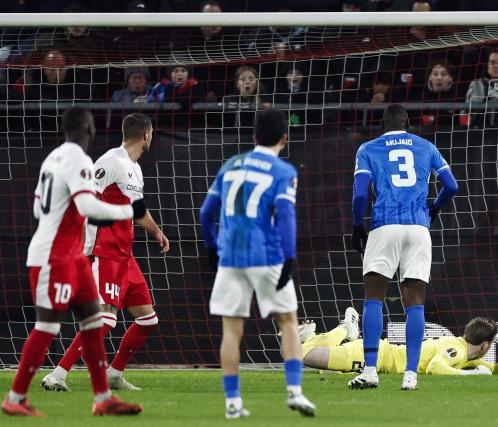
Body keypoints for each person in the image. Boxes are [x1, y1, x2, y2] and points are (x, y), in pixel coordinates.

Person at [1, 107, 145, 417]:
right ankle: (15, 398)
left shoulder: (52, 158)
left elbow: (41, 209)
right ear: (89, 129)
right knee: (47, 325)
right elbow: (88, 205)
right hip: (54, 254)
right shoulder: (80, 159)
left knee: (94, 322)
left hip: (72, 253)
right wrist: (125, 212)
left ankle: (103, 398)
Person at [199, 109, 315, 419]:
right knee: (289, 321)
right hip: (268, 256)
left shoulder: (230, 165)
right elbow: (286, 216)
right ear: (284, 138)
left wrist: (213, 247)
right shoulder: (283, 171)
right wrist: (289, 256)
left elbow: (205, 214)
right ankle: (294, 391)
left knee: (231, 332)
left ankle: (233, 403)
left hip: (231, 257)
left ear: (253, 137)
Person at [41, 113, 169, 393]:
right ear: (146, 135)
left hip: (125, 254)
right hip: (105, 249)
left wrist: (156, 231)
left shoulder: (135, 169)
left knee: (148, 319)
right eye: (152, 133)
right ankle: (58, 374)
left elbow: (137, 210)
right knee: (106, 318)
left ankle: (114, 375)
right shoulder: (112, 161)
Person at [350, 104, 459, 390]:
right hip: (418, 227)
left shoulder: (368, 148)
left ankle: (370, 370)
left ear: (382, 123)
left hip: (385, 225)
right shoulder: (426, 146)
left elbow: (361, 193)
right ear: (408, 123)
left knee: (374, 296)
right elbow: (451, 186)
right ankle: (410, 375)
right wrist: (433, 209)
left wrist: (355, 225)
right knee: (415, 301)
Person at [300, 308, 498, 376]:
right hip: (377, 356)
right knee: (301, 355)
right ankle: (346, 329)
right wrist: (470, 376)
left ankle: (310, 335)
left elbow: (494, 372)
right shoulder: (456, 350)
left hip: (379, 364)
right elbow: (436, 367)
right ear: (485, 346)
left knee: (328, 373)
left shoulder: (466, 355)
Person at [465, 49, 498, 128]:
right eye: (492, 62)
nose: (496, 66)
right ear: (487, 65)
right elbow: (463, 121)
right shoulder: (476, 84)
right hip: (479, 133)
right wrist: (477, 106)